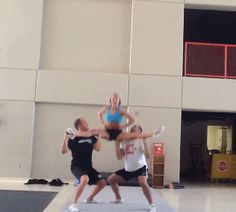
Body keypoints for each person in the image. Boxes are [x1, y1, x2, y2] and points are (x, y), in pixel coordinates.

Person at [107, 125, 157, 212]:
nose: (134, 133)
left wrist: (144, 142)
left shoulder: (140, 141)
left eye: (137, 131)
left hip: (140, 167)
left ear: (140, 134)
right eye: (133, 131)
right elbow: (119, 157)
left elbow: (147, 156)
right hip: (129, 168)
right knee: (111, 179)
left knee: (143, 182)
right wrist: (117, 143)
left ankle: (151, 204)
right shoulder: (124, 141)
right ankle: (118, 198)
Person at [61, 117, 106, 212]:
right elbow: (63, 151)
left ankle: (89, 199)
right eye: (85, 122)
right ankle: (73, 204)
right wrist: (65, 137)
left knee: (102, 183)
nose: (87, 123)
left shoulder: (91, 136)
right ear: (79, 125)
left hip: (88, 166)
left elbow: (98, 149)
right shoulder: (74, 137)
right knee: (85, 179)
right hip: (76, 166)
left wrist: (99, 137)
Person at [90, 93, 164, 142]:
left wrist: (124, 125)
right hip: (107, 132)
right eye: (113, 99)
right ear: (110, 100)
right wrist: (103, 123)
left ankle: (155, 133)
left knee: (136, 135)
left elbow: (132, 120)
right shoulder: (106, 109)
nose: (115, 100)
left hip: (118, 134)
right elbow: (99, 114)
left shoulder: (121, 111)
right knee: (93, 131)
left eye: (117, 99)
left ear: (119, 101)